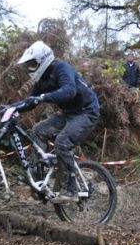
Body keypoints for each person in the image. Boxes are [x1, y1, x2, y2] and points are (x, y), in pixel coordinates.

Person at [15, 40, 100, 203]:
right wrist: (11, 108)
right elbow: (30, 100)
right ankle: (37, 176)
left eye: (32, 64)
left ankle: (72, 189)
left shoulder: (62, 68)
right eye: (29, 65)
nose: (30, 69)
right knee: (37, 131)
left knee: (62, 142)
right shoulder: (42, 79)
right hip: (69, 114)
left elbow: (69, 91)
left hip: (86, 112)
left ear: (43, 60)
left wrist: (44, 97)